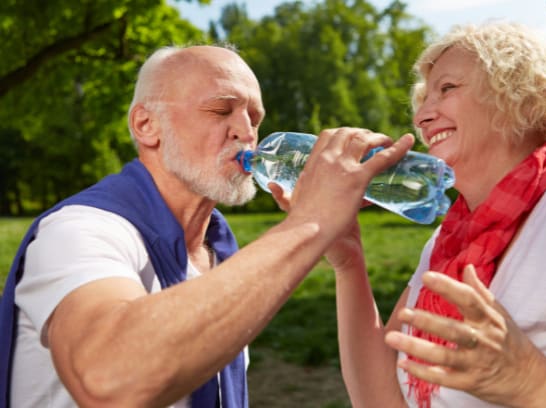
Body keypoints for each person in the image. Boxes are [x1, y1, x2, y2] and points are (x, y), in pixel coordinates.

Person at [0, 44, 414, 407]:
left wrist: (344, 255)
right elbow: (108, 381)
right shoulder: (79, 230)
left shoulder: (219, 250)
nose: (246, 132)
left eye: (255, 116)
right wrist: (310, 223)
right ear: (146, 125)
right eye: (220, 109)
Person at [322, 21, 546, 407]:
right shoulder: (449, 243)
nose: (422, 116)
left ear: (520, 96)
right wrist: (347, 259)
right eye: (423, 99)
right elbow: (382, 401)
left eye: (446, 89)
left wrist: (536, 382)